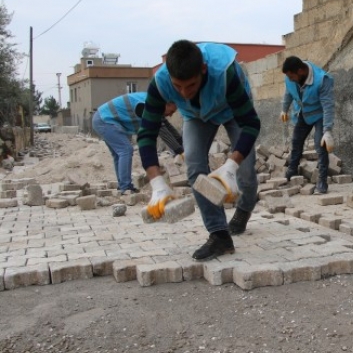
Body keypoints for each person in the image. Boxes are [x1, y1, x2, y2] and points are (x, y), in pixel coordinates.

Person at [137, 40, 260, 261]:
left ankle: (245, 208)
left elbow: (251, 124)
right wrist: (156, 183)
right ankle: (219, 235)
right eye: (178, 87)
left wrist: (230, 166)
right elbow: (146, 133)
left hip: (234, 109)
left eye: (191, 85)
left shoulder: (225, 72)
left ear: (203, 70)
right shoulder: (160, 82)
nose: (184, 93)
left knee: (246, 173)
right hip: (196, 115)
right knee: (194, 164)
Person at [92, 92, 183, 195]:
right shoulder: (150, 106)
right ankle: (125, 187)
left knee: (119, 153)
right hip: (105, 120)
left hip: (101, 118)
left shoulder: (155, 105)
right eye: (171, 111)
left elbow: (168, 126)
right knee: (125, 150)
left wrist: (181, 143)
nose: (170, 115)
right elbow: (162, 130)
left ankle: (123, 186)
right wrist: (179, 151)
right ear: (166, 104)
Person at [281, 56, 335, 194]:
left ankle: (322, 181)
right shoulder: (290, 77)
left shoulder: (322, 80)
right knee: (296, 141)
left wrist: (327, 130)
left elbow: (328, 106)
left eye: (292, 76)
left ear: (300, 71)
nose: (290, 79)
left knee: (320, 145)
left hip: (319, 115)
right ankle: (292, 170)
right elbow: (289, 93)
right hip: (302, 113)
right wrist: (284, 109)